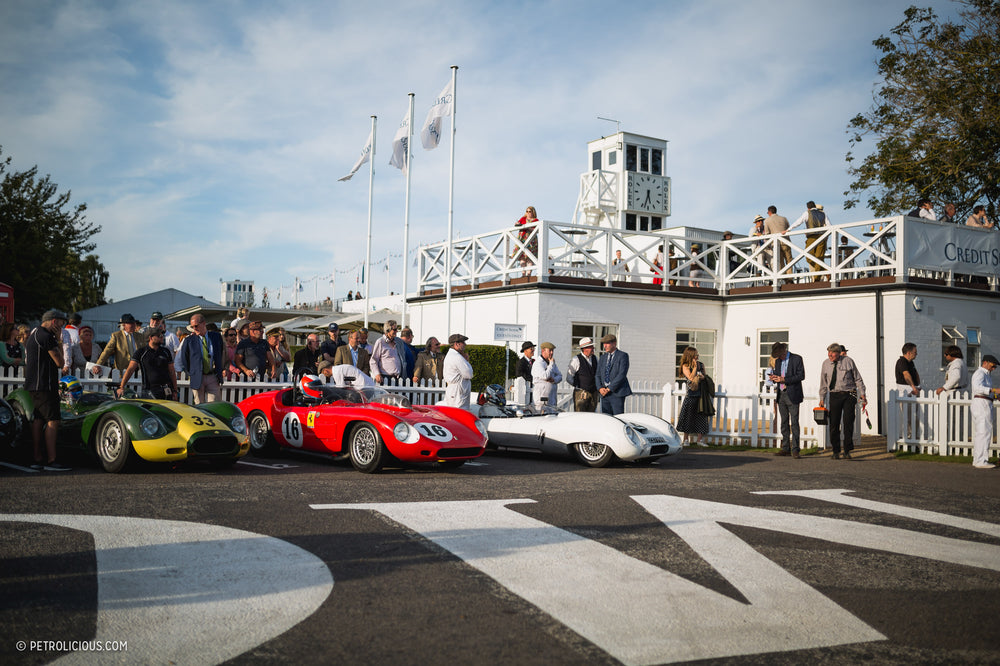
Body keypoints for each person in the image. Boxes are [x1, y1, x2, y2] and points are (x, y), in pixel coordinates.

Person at [25, 309, 70, 471]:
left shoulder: (35, 334)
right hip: (45, 384)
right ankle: (51, 460)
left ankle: (37, 457)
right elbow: (60, 362)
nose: (62, 326)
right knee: (53, 420)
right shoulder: (47, 336)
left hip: (35, 384)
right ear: (53, 321)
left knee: (38, 419)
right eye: (61, 322)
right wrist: (58, 340)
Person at [818, 342, 867, 460]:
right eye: (828, 352)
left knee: (848, 422)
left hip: (850, 393)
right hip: (834, 394)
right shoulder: (825, 364)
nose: (830, 355)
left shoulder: (848, 361)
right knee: (834, 423)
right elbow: (823, 382)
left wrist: (863, 394)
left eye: (832, 353)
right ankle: (835, 451)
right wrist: (822, 398)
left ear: (839, 353)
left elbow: (858, 378)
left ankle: (847, 450)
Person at [767, 342, 805, 457]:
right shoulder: (778, 361)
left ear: (785, 351)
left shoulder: (797, 359)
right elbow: (779, 377)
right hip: (781, 394)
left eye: (780, 355)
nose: (779, 357)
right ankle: (786, 448)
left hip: (793, 394)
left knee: (794, 423)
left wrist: (784, 379)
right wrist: (774, 378)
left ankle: (795, 449)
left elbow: (801, 376)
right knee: (784, 422)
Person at [178, 314, 226, 403]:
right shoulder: (189, 340)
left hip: (213, 377)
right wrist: (192, 373)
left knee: (214, 405)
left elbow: (220, 353)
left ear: (203, 323)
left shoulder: (216, 337)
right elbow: (185, 359)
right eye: (192, 327)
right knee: (199, 406)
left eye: (196, 326)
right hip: (197, 377)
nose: (194, 328)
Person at [118, 328, 177, 399]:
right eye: (159, 336)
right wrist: (121, 387)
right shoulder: (141, 352)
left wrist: (175, 391)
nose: (162, 337)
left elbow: (172, 372)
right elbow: (130, 369)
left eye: (162, 335)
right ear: (150, 338)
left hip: (167, 390)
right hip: (150, 391)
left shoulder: (166, 352)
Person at [970, 355, 1000, 469]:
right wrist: (993, 390)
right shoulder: (980, 373)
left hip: (984, 402)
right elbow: (977, 388)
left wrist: (995, 395)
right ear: (985, 363)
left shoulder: (986, 375)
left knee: (982, 433)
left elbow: (984, 390)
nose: (993, 369)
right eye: (993, 366)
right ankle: (981, 460)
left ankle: (979, 459)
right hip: (981, 404)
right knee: (983, 432)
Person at [675, 346, 709, 445]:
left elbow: (704, 377)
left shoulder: (701, 365)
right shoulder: (685, 366)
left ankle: (699, 440)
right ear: (690, 356)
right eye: (695, 355)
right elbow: (690, 377)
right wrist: (694, 368)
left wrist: (702, 377)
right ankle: (686, 440)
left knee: (701, 417)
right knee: (688, 417)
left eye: (697, 355)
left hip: (701, 394)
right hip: (691, 395)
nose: (697, 357)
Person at [788, 202, 828, 281]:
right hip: (822, 237)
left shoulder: (807, 213)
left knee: (808, 257)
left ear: (808, 208)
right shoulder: (823, 214)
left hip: (811, 237)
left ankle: (818, 278)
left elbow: (798, 222)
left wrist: (788, 229)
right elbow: (830, 226)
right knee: (819, 258)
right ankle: (825, 271)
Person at [596, 334, 632, 416]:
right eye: (604, 344)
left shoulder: (623, 356)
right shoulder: (602, 357)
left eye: (607, 343)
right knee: (606, 419)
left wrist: (609, 389)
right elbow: (597, 375)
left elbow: (621, 374)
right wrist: (600, 388)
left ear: (614, 343)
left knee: (618, 418)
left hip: (617, 393)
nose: (605, 346)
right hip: (604, 394)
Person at [566, 337, 598, 412]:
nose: (593, 348)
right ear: (584, 349)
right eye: (591, 347)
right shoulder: (576, 360)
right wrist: (578, 386)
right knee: (580, 415)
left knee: (592, 415)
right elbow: (569, 377)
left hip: (593, 393)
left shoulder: (595, 358)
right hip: (581, 394)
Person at [442, 333, 473, 408]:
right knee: (459, 414)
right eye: (463, 342)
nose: (465, 344)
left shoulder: (453, 355)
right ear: (456, 344)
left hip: (456, 391)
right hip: (457, 393)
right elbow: (469, 374)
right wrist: (466, 361)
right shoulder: (456, 357)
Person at [369, 319, 404, 384]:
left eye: (397, 329)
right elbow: (373, 360)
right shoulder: (380, 342)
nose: (396, 331)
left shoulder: (398, 342)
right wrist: (377, 374)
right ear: (388, 330)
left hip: (398, 378)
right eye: (394, 329)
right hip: (385, 377)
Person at [531, 342, 563, 409]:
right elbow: (545, 376)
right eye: (550, 350)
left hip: (552, 399)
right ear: (543, 351)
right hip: (541, 400)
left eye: (552, 351)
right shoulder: (538, 363)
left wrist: (554, 380)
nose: (551, 353)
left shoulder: (551, 362)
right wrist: (551, 364)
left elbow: (560, 376)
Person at [763, 205, 792, 274]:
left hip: (776, 243)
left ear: (769, 212)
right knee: (789, 260)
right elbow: (788, 230)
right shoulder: (784, 219)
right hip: (786, 242)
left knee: (780, 261)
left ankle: (785, 278)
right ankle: (790, 277)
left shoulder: (767, 220)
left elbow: (767, 234)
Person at [514, 206, 539, 273]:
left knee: (530, 257)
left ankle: (528, 273)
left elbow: (536, 230)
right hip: (522, 238)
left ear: (533, 212)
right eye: (527, 211)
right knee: (522, 256)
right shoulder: (523, 218)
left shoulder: (536, 220)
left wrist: (527, 227)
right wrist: (519, 224)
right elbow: (516, 224)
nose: (528, 213)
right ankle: (523, 273)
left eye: (529, 211)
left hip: (530, 239)